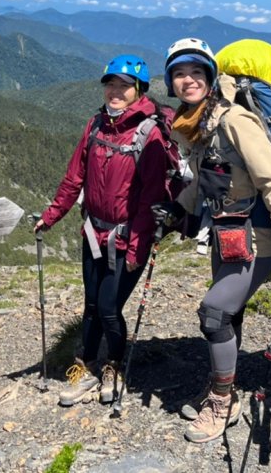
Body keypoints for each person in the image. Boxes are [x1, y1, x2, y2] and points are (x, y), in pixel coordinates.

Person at [157, 37, 271, 444]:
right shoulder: (196, 123)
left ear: (210, 76)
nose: (187, 80)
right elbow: (204, 181)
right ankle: (226, 389)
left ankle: (221, 403)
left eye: (195, 72)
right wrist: (176, 211)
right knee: (231, 314)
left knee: (214, 314)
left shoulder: (234, 121)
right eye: (179, 74)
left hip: (256, 237)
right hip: (223, 234)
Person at [34, 54, 171, 407]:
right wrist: (51, 215)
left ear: (138, 90)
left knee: (110, 307)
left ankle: (113, 366)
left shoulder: (149, 134)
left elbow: (152, 198)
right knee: (92, 305)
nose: (115, 91)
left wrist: (138, 246)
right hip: (93, 233)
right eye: (110, 83)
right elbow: (74, 177)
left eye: (123, 86)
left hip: (128, 238)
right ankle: (86, 365)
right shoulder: (95, 125)